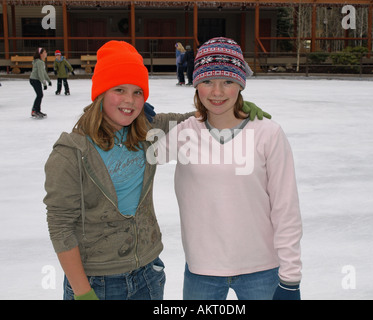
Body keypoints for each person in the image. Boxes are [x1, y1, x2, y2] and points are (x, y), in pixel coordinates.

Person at [44, 40, 268, 300]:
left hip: (148, 275)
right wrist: (83, 292)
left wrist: (235, 111)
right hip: (97, 280)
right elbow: (60, 227)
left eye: (138, 92)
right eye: (119, 90)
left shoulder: (146, 132)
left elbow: (195, 121)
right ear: (101, 93)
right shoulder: (71, 152)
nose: (130, 101)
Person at [149, 37, 302, 300]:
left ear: (240, 85)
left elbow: (285, 209)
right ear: (196, 84)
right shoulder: (185, 133)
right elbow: (143, 153)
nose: (217, 92)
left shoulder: (268, 133)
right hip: (202, 271)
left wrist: (290, 278)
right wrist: (137, 114)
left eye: (228, 81)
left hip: (261, 269)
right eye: (207, 81)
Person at [30, 47, 52, 118]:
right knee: (39, 95)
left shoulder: (41, 62)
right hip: (34, 80)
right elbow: (40, 74)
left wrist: (48, 80)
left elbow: (44, 72)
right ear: (41, 54)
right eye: (45, 52)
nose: (46, 53)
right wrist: (44, 83)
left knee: (40, 95)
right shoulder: (39, 62)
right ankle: (35, 111)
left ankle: (37, 110)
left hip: (36, 80)